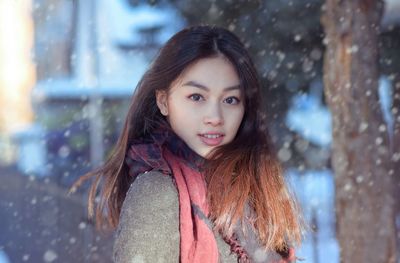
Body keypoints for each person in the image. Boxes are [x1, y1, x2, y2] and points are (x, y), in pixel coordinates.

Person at [70, 25, 305, 263]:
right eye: (196, 97)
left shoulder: (249, 185)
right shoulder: (156, 194)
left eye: (230, 99)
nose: (215, 116)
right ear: (163, 101)